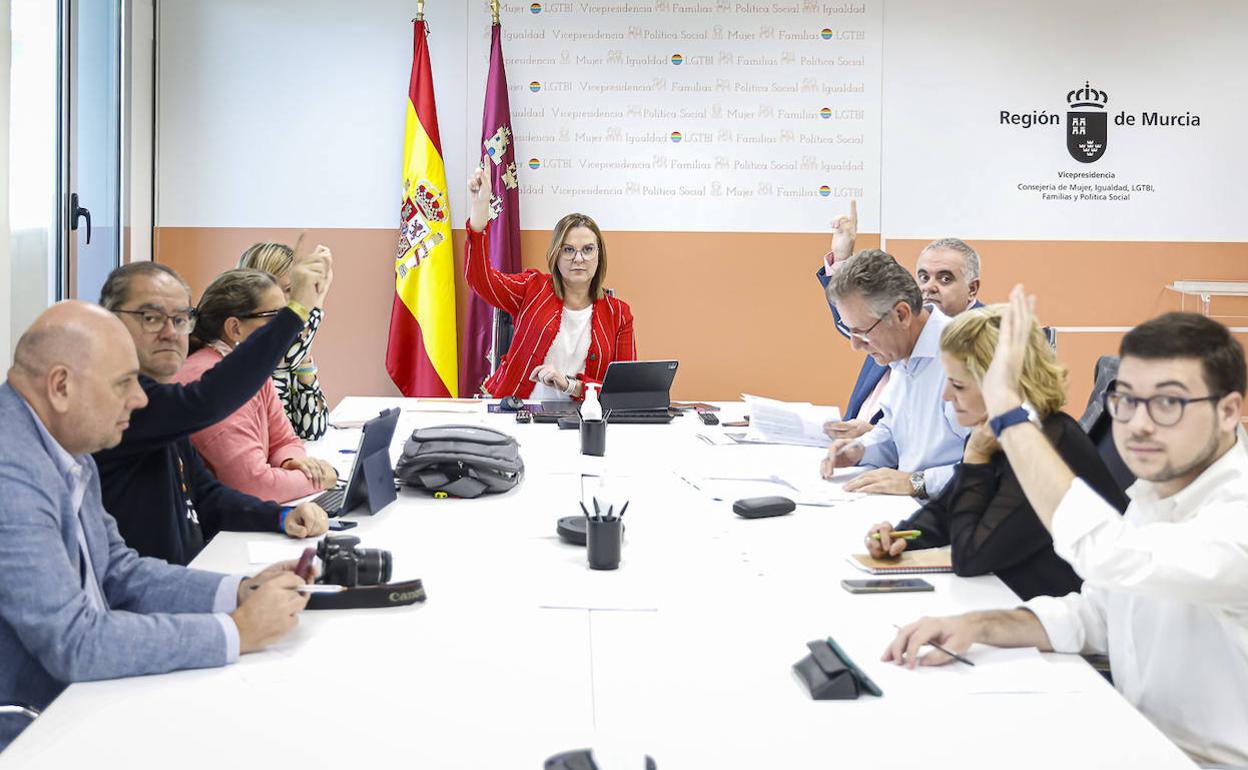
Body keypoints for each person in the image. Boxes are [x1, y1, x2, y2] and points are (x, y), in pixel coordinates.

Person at [885, 289, 1248, 767]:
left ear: (1228, 411)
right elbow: (1098, 615)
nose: (1138, 425)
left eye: (1167, 403)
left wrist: (1009, 413)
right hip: (1137, 739)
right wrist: (977, 625)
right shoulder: (1155, 494)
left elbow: (1111, 557)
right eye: (1127, 400)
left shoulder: (1236, 514)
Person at [0, 302, 312, 750]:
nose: (141, 399)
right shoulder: (11, 472)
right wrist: (237, 630)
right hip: (33, 730)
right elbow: (75, 643)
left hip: (77, 703)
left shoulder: (66, 445)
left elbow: (118, 571)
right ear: (61, 386)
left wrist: (241, 592)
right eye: (124, 383)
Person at [863, 305, 1129, 600]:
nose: (947, 396)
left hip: (1074, 615)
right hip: (1015, 598)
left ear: (1001, 387)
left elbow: (970, 557)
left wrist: (975, 459)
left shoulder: (1047, 443)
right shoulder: (992, 431)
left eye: (958, 385)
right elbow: (947, 512)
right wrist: (901, 536)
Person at [94, 259, 331, 566]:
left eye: (180, 319)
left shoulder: (161, 398)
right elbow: (208, 399)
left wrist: (281, 516)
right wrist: (296, 310)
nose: (170, 332)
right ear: (109, 323)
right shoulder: (116, 402)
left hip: (189, 573)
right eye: (151, 318)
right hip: (150, 587)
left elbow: (207, 497)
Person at [464, 167, 636, 400]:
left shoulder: (619, 314)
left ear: (599, 256)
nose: (578, 258)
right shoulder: (532, 288)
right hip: (520, 412)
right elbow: (480, 279)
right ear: (556, 255)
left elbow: (624, 392)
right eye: (568, 250)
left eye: (587, 249)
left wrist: (571, 386)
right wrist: (479, 211)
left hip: (584, 417)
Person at [817, 204, 984, 440]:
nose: (929, 287)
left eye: (945, 278)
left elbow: (974, 448)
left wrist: (879, 437)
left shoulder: (982, 341)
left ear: (972, 288)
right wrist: (842, 259)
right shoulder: (893, 333)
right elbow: (859, 318)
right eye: (923, 277)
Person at [172, 269, 338, 502]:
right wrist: (319, 479)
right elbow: (253, 486)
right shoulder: (209, 379)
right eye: (276, 317)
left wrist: (291, 462)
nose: (288, 328)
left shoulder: (250, 369)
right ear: (235, 328)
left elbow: (285, 440)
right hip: (220, 520)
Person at [819, 249, 971, 497]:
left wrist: (918, 482)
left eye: (862, 332)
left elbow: (1004, 464)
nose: (855, 345)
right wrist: (861, 450)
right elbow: (894, 433)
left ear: (901, 314)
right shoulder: (902, 354)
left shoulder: (966, 359)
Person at [238, 239, 331, 440]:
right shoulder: (245, 351)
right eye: (285, 290)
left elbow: (313, 430)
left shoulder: (292, 349)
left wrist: (305, 358)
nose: (289, 301)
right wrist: (317, 305)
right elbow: (279, 437)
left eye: (293, 290)